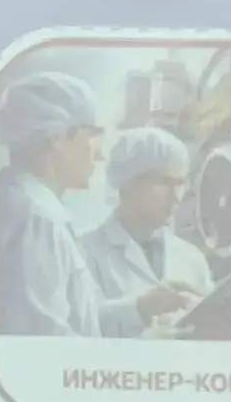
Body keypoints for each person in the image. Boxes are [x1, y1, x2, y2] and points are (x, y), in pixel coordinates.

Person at [0, 72, 109, 337]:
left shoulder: (22, 202)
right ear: (59, 138)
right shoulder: (38, 218)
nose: (100, 154)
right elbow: (46, 342)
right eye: (93, 136)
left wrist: (139, 311)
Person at [82, 126, 213, 336]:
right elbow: (79, 325)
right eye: (163, 182)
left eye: (180, 183)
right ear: (127, 183)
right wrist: (142, 307)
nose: (175, 196)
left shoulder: (192, 258)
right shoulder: (84, 252)